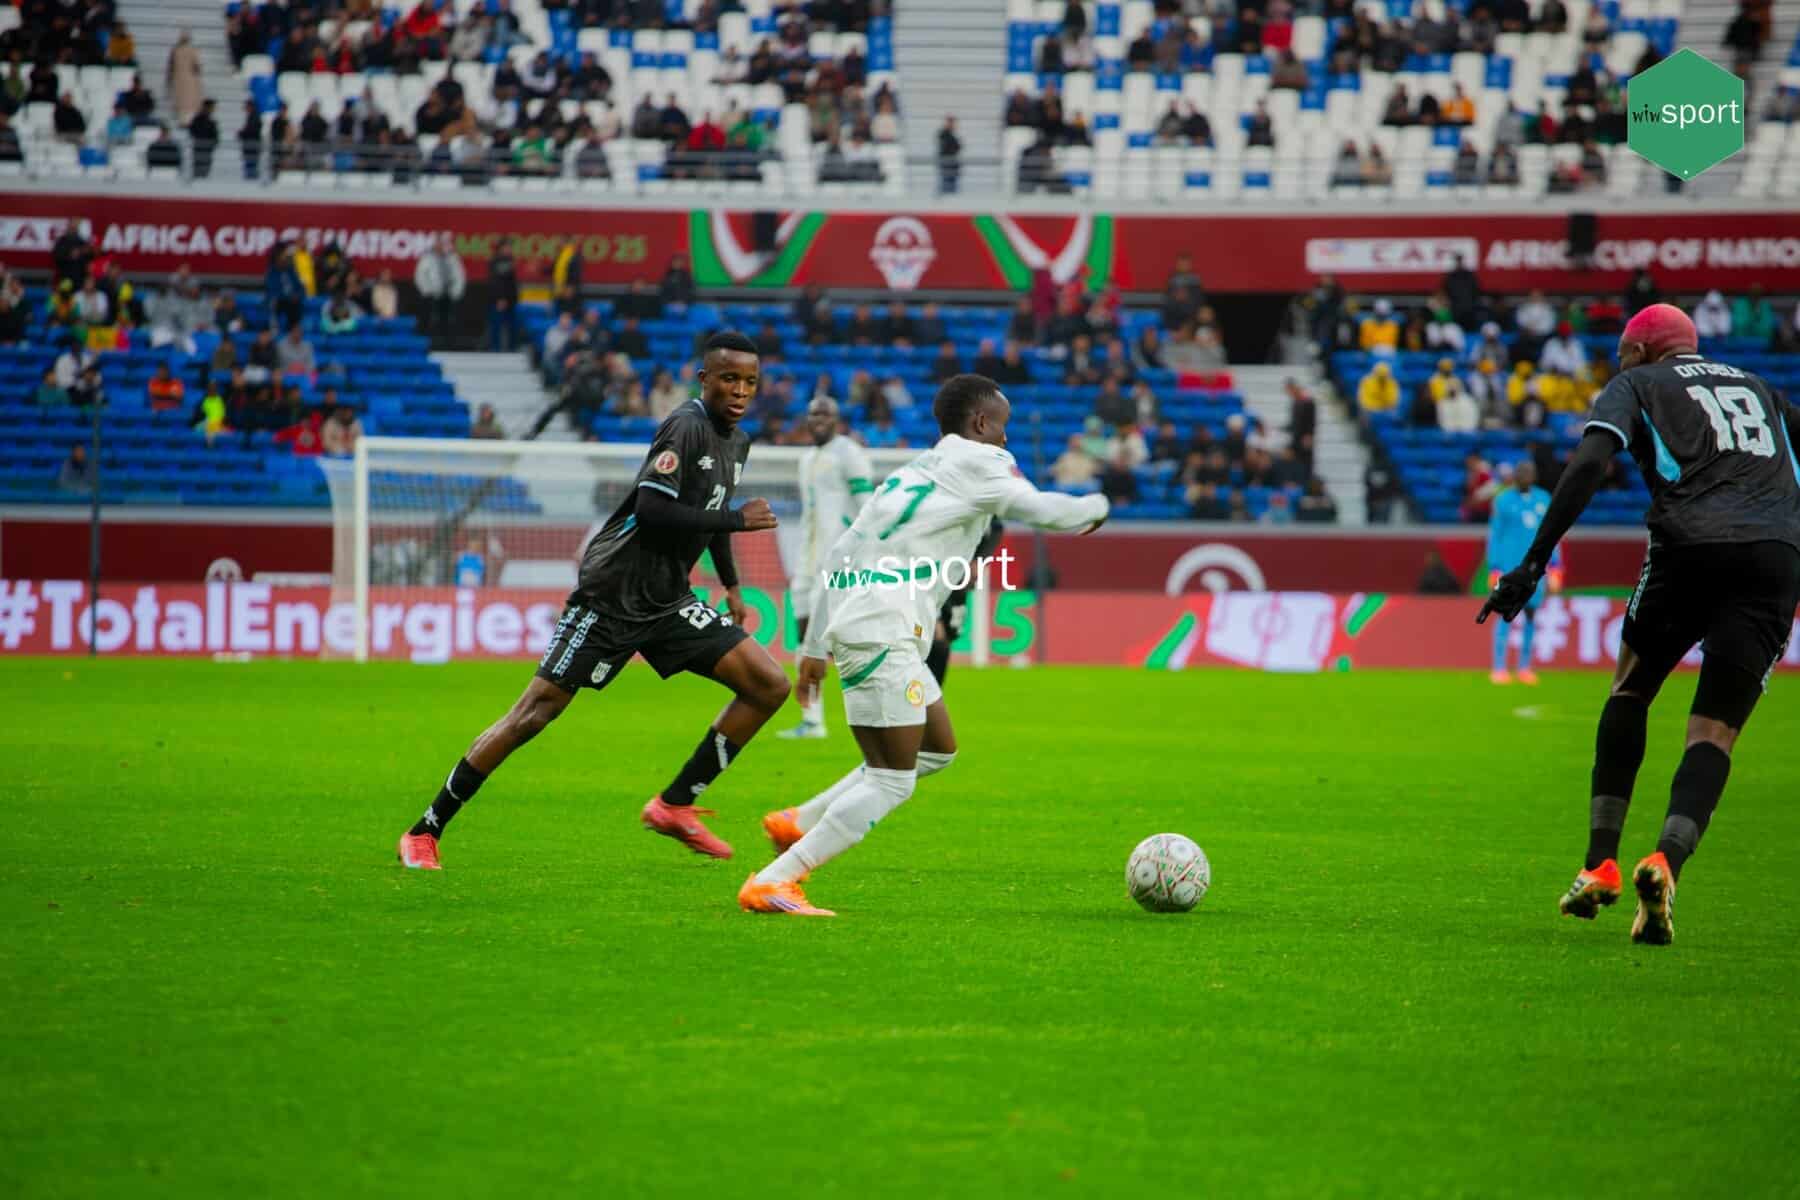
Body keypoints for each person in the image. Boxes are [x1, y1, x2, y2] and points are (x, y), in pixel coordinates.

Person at [396, 332, 790, 870]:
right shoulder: (685, 426)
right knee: (533, 714)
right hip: (612, 594)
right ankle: (426, 829)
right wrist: (736, 520)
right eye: (729, 379)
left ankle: (675, 805)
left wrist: (733, 584)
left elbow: (713, 510)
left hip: (668, 599)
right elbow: (653, 509)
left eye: (749, 382)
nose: (740, 391)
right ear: (704, 379)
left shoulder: (736, 441)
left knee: (768, 684)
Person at [1480, 303, 1800, 945]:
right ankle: (1665, 862)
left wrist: (1533, 563)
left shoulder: (1639, 383)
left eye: (1623, 354)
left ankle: (1600, 863)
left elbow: (1589, 464)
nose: (1618, 364)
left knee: (1630, 688)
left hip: (1689, 544)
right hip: (1774, 555)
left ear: (1643, 350)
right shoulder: (1760, 388)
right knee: (1715, 731)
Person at [742, 375, 1109, 916]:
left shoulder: (911, 472)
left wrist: (814, 646)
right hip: (884, 629)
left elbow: (840, 554)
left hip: (868, 622)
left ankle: (800, 820)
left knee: (936, 750)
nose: (1006, 438)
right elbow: (1043, 510)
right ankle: (776, 879)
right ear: (980, 423)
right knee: (892, 781)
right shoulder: (984, 462)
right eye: (1002, 426)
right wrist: (1097, 504)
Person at [778, 395, 874, 740]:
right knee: (803, 635)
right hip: (807, 560)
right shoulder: (806, 459)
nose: (818, 420)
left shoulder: (850, 453)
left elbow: (868, 507)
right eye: (813, 414)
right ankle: (812, 720)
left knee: (834, 640)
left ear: (837, 419)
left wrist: (863, 553)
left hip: (838, 560)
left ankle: (871, 711)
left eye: (825, 415)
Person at [1484, 460, 1562, 685]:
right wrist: (1494, 567)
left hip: (1535, 570)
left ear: (1534, 476)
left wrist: (1556, 566)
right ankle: (1499, 667)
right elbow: (1495, 535)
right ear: (1515, 476)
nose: (1524, 476)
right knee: (1504, 614)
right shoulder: (1503, 500)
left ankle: (1524, 667)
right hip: (1509, 568)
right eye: (1521, 472)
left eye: (1528, 472)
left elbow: (1553, 534)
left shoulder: (1543, 499)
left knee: (1531, 615)